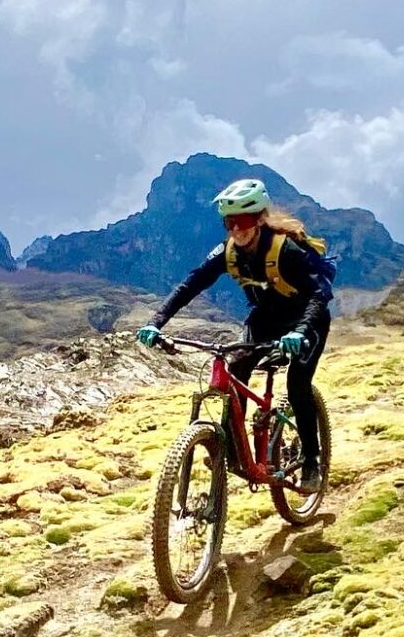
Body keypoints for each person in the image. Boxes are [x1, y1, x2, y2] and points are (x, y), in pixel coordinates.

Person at [136, 178, 333, 492]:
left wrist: (300, 331)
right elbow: (191, 285)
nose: (236, 230)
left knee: (298, 386)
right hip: (266, 320)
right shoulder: (227, 252)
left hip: (306, 321)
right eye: (229, 222)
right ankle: (230, 448)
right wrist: (155, 323)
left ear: (258, 219)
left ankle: (311, 461)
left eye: (241, 221)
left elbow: (318, 293)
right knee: (236, 364)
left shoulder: (286, 250)